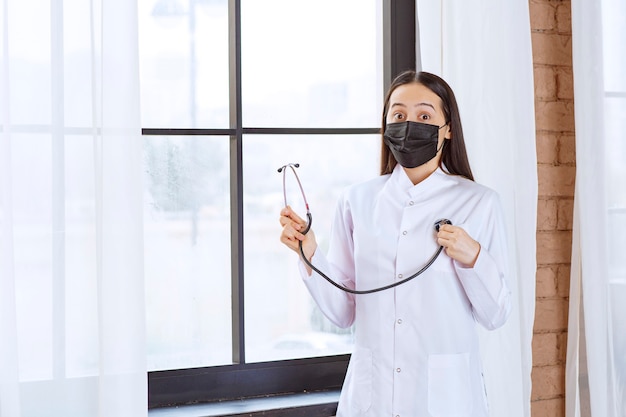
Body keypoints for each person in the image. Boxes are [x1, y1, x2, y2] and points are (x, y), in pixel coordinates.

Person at [279, 70, 512, 417]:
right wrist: (309, 253)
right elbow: (343, 312)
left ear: (447, 129)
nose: (409, 124)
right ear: (386, 126)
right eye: (399, 115)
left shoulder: (479, 203)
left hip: (446, 400)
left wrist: (473, 257)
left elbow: (495, 316)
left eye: (424, 115)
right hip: (372, 397)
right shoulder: (356, 201)